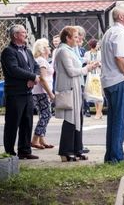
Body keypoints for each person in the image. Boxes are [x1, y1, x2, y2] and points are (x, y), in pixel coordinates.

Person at [100, 6, 124, 164]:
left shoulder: (109, 32)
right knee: (120, 120)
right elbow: (120, 57)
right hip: (119, 80)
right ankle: (117, 155)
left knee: (114, 119)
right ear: (122, 16)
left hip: (110, 80)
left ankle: (111, 155)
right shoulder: (120, 33)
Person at [53, 26, 98, 162]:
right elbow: (72, 71)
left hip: (76, 88)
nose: (78, 38)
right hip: (69, 88)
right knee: (70, 120)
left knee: (78, 119)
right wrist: (87, 68)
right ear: (67, 38)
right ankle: (66, 151)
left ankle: (77, 148)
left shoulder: (70, 50)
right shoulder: (62, 51)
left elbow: (77, 64)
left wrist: (87, 64)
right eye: (75, 36)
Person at [0, 24, 40, 159]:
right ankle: (9, 152)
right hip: (15, 93)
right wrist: (31, 77)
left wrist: (34, 77)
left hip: (28, 92)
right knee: (12, 123)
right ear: (15, 35)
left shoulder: (27, 51)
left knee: (27, 122)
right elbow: (13, 69)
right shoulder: (8, 51)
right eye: (23, 32)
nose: (26, 34)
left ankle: (25, 151)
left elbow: (36, 66)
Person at [31, 38, 55, 150]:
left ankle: (41, 139)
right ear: (43, 49)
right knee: (46, 115)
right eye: (48, 46)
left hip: (40, 92)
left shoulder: (41, 60)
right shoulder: (41, 61)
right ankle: (35, 139)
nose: (50, 48)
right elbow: (42, 79)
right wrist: (50, 94)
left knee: (43, 115)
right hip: (42, 92)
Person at [84, 38, 103, 120]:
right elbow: (85, 63)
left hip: (99, 75)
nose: (98, 45)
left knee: (100, 94)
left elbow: (103, 64)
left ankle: (98, 113)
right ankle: (99, 112)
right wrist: (90, 63)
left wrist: (98, 64)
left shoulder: (100, 53)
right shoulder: (87, 54)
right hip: (91, 75)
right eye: (97, 44)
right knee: (94, 94)